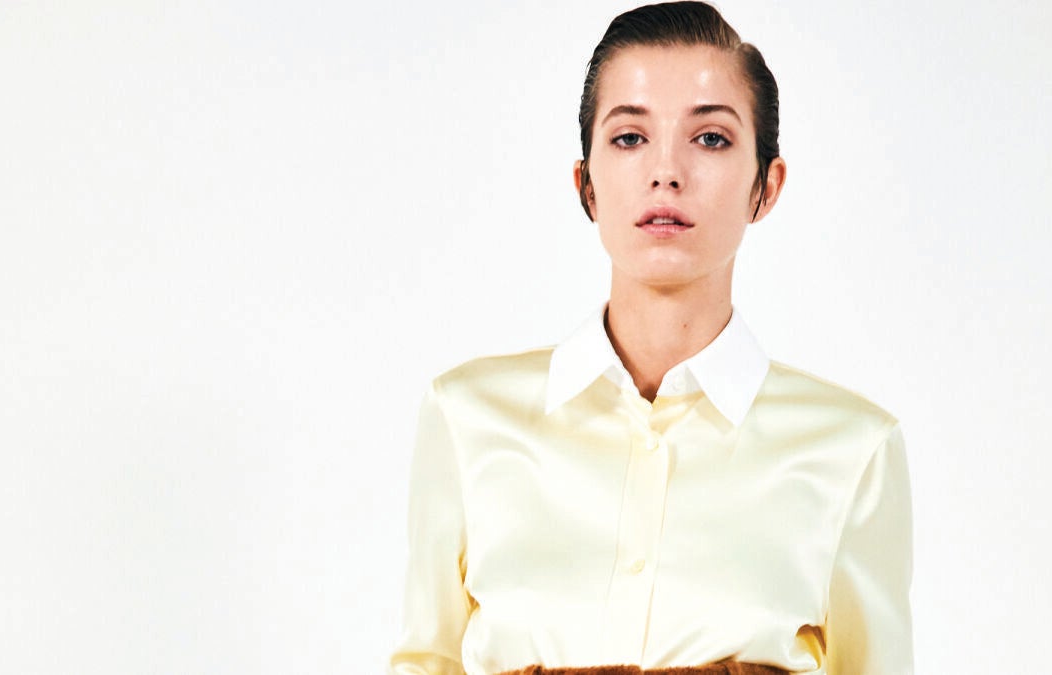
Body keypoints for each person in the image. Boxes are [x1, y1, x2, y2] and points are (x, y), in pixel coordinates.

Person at [388, 3, 913, 674]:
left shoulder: (851, 449)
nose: (666, 172)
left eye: (711, 138)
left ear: (766, 185)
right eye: (630, 137)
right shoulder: (467, 418)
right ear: (586, 183)